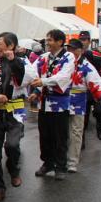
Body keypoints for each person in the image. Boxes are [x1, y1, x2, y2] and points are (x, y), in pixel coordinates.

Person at [0, 32, 35, 201]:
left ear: (11, 45)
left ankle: (13, 168)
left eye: (0, 43)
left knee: (12, 145)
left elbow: (26, 80)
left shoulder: (25, 62)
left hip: (16, 110)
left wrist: (14, 61)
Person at [29, 29, 75, 181]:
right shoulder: (43, 57)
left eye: (50, 40)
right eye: (47, 40)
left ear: (60, 42)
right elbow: (32, 71)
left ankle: (61, 166)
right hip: (44, 103)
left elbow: (63, 77)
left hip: (60, 103)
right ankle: (47, 163)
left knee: (60, 136)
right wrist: (36, 89)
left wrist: (43, 81)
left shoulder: (69, 57)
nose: (47, 43)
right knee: (45, 135)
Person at [66, 39, 101, 173]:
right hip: (61, 100)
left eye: (73, 49)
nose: (70, 52)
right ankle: (60, 159)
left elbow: (96, 82)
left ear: (80, 50)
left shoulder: (86, 65)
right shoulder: (63, 62)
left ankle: (72, 162)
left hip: (78, 101)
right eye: (68, 49)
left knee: (76, 132)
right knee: (62, 132)